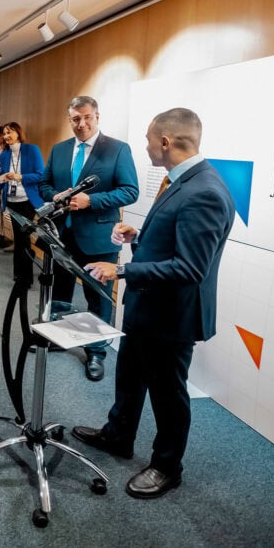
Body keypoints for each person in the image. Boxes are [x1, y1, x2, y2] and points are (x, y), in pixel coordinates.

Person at [73, 108, 235, 500]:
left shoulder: (206, 192)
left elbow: (191, 267)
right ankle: (118, 436)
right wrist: (139, 235)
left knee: (167, 393)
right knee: (129, 376)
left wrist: (123, 272)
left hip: (172, 317)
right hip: (149, 308)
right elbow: (176, 239)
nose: (145, 145)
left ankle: (167, 466)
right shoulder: (183, 181)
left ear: (165, 142)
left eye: (148, 139)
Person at [39, 96, 139, 382]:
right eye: (75, 119)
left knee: (98, 297)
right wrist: (54, 196)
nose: (81, 124)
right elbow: (44, 183)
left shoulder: (118, 149)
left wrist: (90, 201)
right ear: (69, 119)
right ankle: (60, 337)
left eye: (87, 118)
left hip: (98, 237)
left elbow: (129, 191)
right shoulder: (59, 150)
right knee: (60, 292)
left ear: (97, 117)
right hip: (61, 235)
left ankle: (96, 351)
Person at [0, 122, 45, 286]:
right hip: (12, 201)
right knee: (19, 239)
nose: (6, 136)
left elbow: (40, 175)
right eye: (4, 133)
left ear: (18, 133)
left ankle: (25, 277)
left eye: (9, 132)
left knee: (23, 238)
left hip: (27, 201)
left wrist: (20, 177)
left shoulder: (31, 149)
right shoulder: (5, 154)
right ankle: (19, 273)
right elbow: (6, 178)